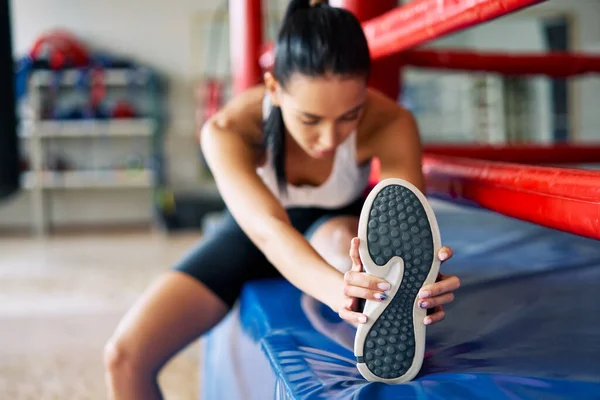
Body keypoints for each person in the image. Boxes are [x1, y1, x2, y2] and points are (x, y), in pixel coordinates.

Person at [104, 0, 461, 397]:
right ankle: (372, 293)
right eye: (310, 120)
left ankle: (381, 294)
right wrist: (336, 291)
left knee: (346, 245)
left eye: (349, 116)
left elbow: (404, 228)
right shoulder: (227, 130)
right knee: (124, 357)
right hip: (254, 233)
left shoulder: (391, 121)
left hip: (335, 229)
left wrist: (418, 280)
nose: (329, 139)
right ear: (273, 88)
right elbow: (269, 231)